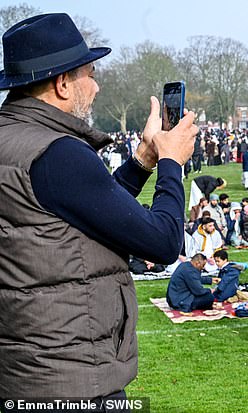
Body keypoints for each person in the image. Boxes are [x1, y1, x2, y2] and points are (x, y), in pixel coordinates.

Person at [0, 13, 197, 403]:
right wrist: (172, 163)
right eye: (90, 74)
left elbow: (76, 212)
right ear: (62, 84)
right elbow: (162, 242)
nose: (97, 86)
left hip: (26, 368)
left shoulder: (16, 140)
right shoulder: (58, 152)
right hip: (71, 373)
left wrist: (143, 160)